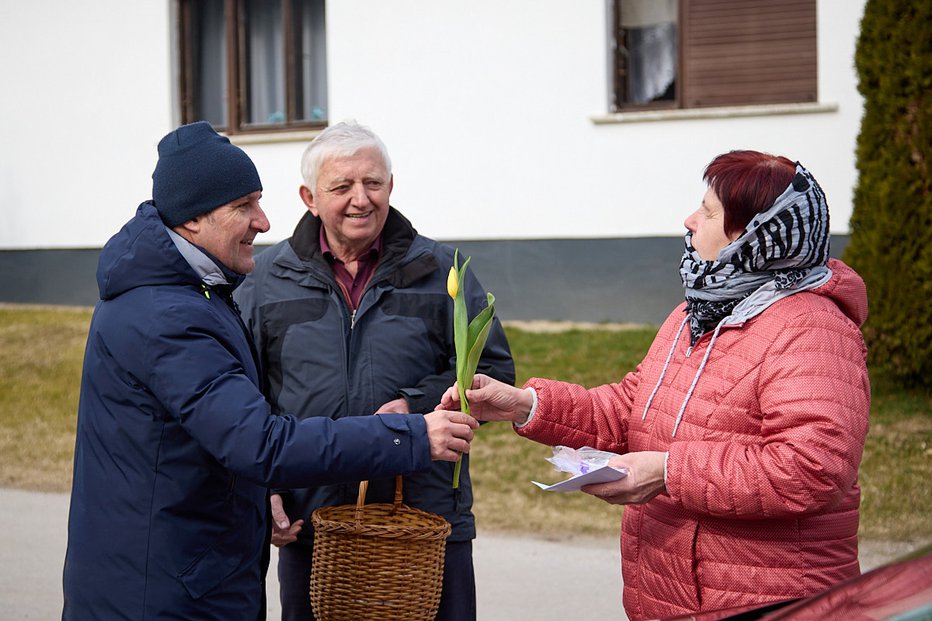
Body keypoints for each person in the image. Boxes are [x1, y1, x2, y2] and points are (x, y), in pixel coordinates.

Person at [61, 121, 479, 621]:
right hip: (170, 585)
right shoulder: (174, 314)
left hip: (408, 519)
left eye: (373, 183)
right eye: (244, 206)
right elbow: (256, 439)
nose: (263, 221)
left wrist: (419, 404)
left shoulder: (205, 293)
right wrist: (407, 436)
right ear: (193, 219)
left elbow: (231, 423)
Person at [438, 151, 871, 620]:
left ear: (753, 236)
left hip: (769, 598)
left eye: (707, 212)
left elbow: (811, 467)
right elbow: (632, 409)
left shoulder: (813, 329)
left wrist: (668, 472)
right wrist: (525, 404)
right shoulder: (696, 313)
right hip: (675, 594)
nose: (689, 221)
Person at [234, 120, 515, 621]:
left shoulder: (441, 271)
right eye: (341, 187)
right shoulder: (266, 282)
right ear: (309, 197)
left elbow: (492, 371)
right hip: (313, 519)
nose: (361, 199)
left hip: (426, 518)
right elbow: (242, 402)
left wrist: (418, 402)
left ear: (392, 185)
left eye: (373, 183)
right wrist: (266, 491)